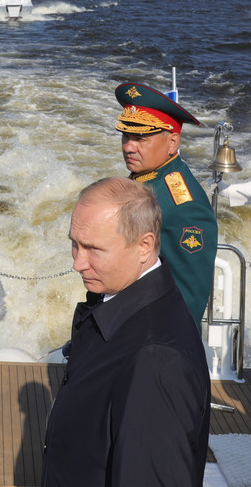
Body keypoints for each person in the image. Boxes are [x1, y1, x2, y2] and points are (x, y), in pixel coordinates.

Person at [42, 177, 211, 487]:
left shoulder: (156, 361)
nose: (78, 262)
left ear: (144, 246)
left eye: (93, 249)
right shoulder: (121, 305)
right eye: (74, 244)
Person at [115, 82, 217, 328]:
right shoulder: (146, 178)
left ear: (172, 143)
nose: (129, 146)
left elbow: (188, 297)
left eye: (140, 138)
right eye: (126, 136)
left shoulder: (184, 206)